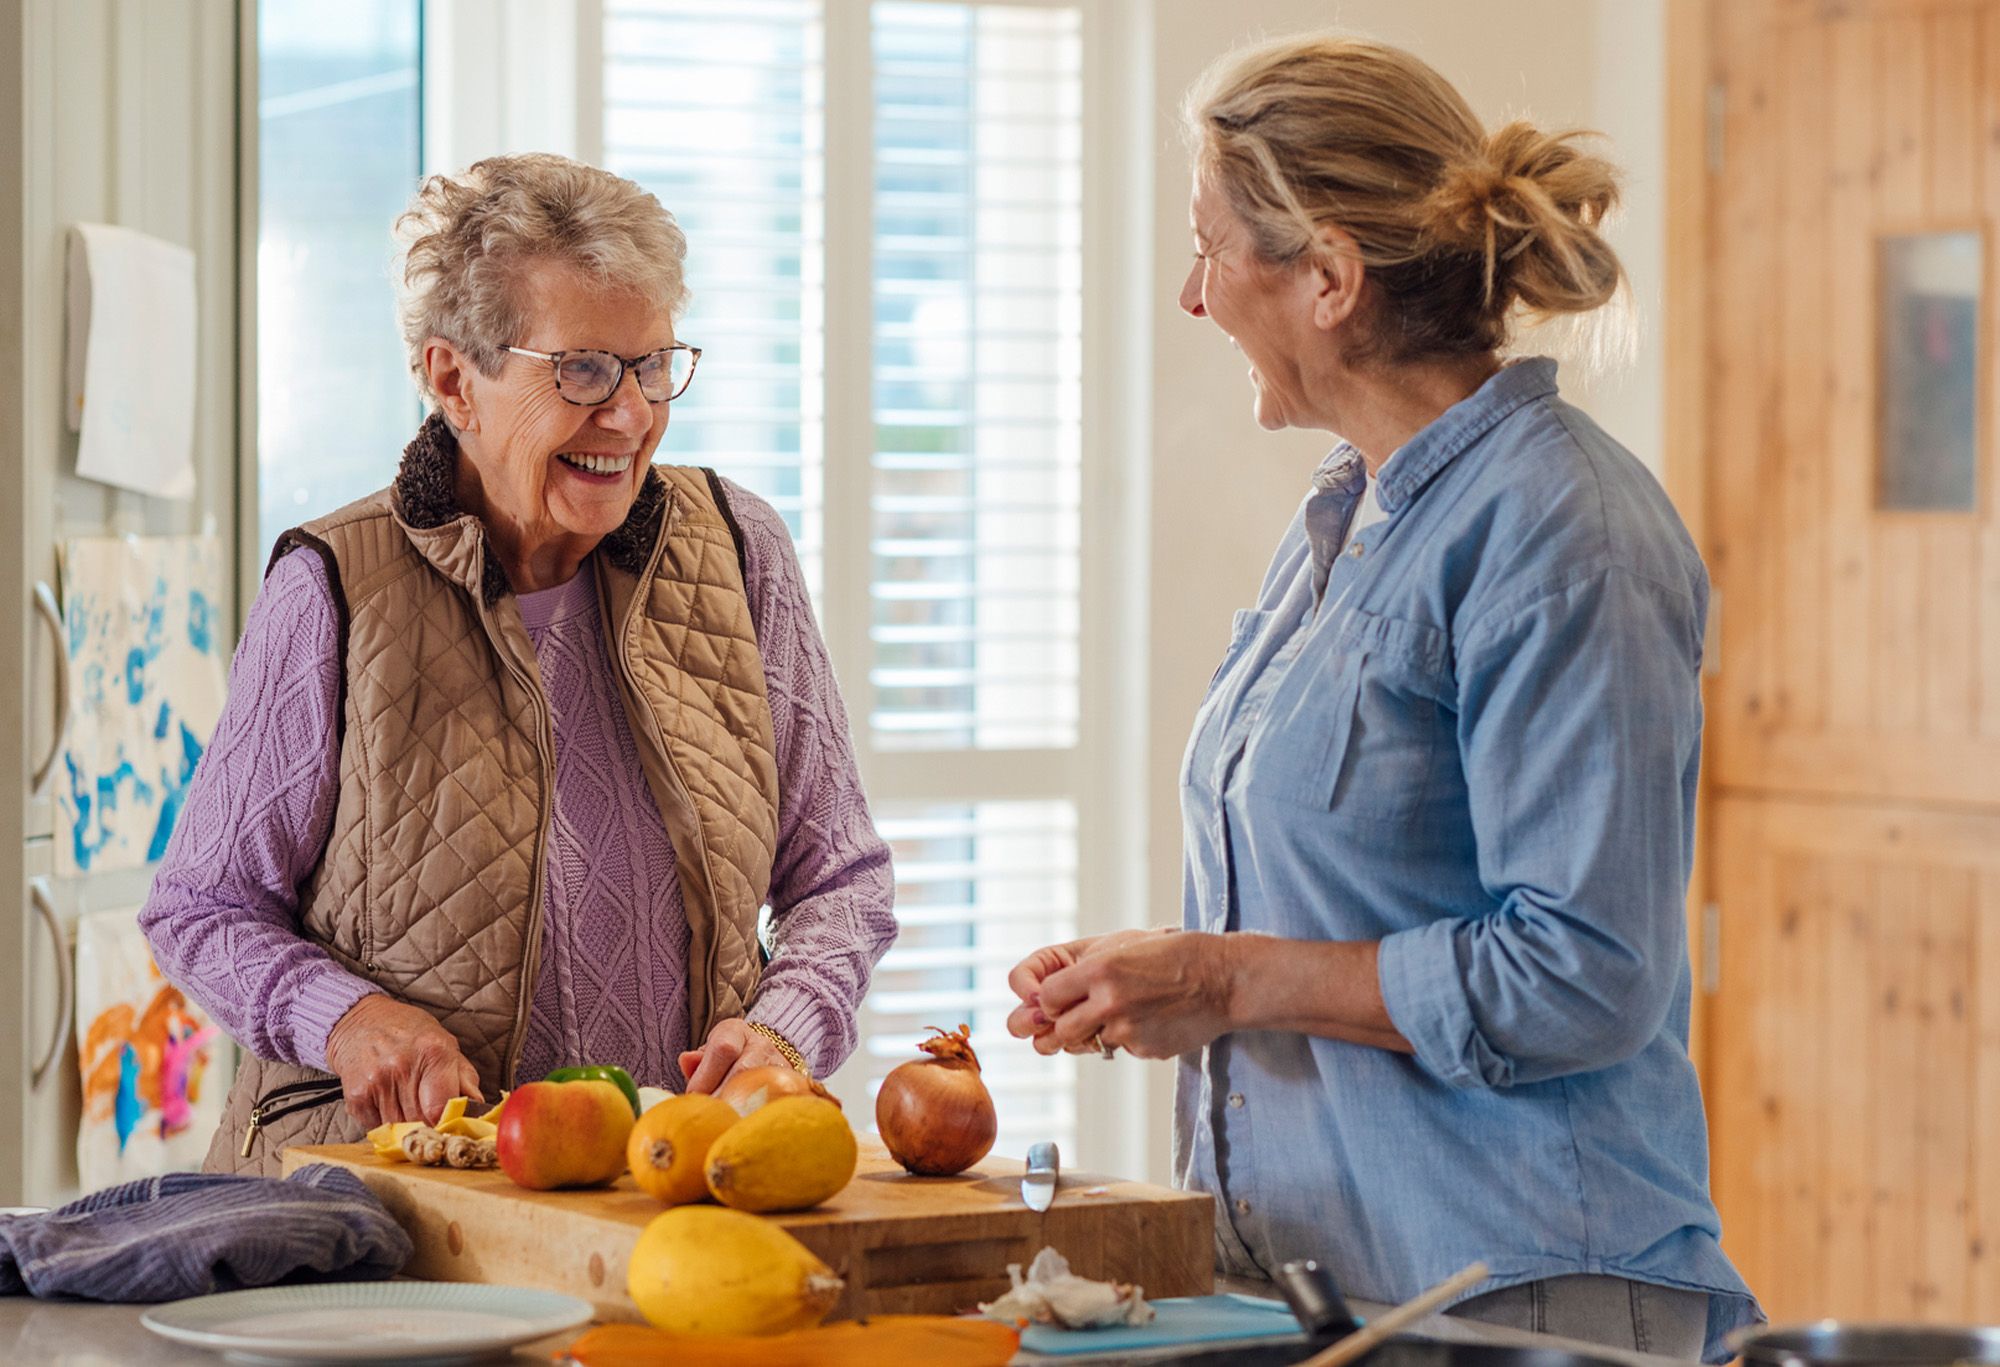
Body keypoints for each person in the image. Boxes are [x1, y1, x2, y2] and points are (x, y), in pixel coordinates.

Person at [1006, 35, 1758, 1363]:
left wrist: (1222, 975)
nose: (1191, 295)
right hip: (1334, 1288)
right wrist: (1192, 990)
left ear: (1330, 278)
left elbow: (1584, 972)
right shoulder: (1353, 515)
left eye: (1209, 245)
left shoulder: (1560, 528)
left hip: (1518, 1294)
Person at [141, 153, 896, 1175]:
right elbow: (202, 905)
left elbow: (841, 876)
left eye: (652, 366)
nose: (627, 415)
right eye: (581, 369)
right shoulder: (334, 585)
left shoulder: (739, 547)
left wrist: (785, 1027)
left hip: (663, 1189)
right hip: (383, 1203)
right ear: (454, 377)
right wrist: (348, 1015)